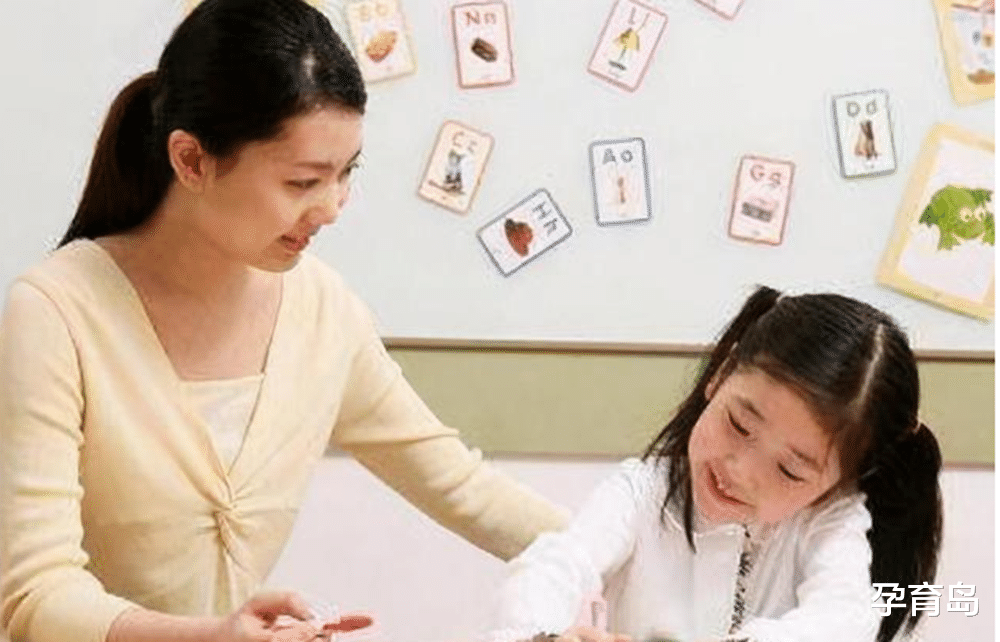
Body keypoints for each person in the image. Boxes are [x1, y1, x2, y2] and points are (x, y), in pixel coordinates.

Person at [0, 1, 567, 641]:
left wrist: (615, 554)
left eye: (347, 174)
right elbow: (35, 597)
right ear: (191, 161)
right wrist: (213, 636)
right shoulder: (55, 312)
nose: (331, 208)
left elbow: (460, 486)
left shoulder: (322, 311)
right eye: (303, 182)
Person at [487, 286, 943, 642]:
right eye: (740, 425)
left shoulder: (829, 520)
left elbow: (844, 616)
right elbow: (557, 565)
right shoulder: (641, 492)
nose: (741, 470)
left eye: (790, 471)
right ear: (721, 376)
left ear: (843, 479)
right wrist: (543, 634)